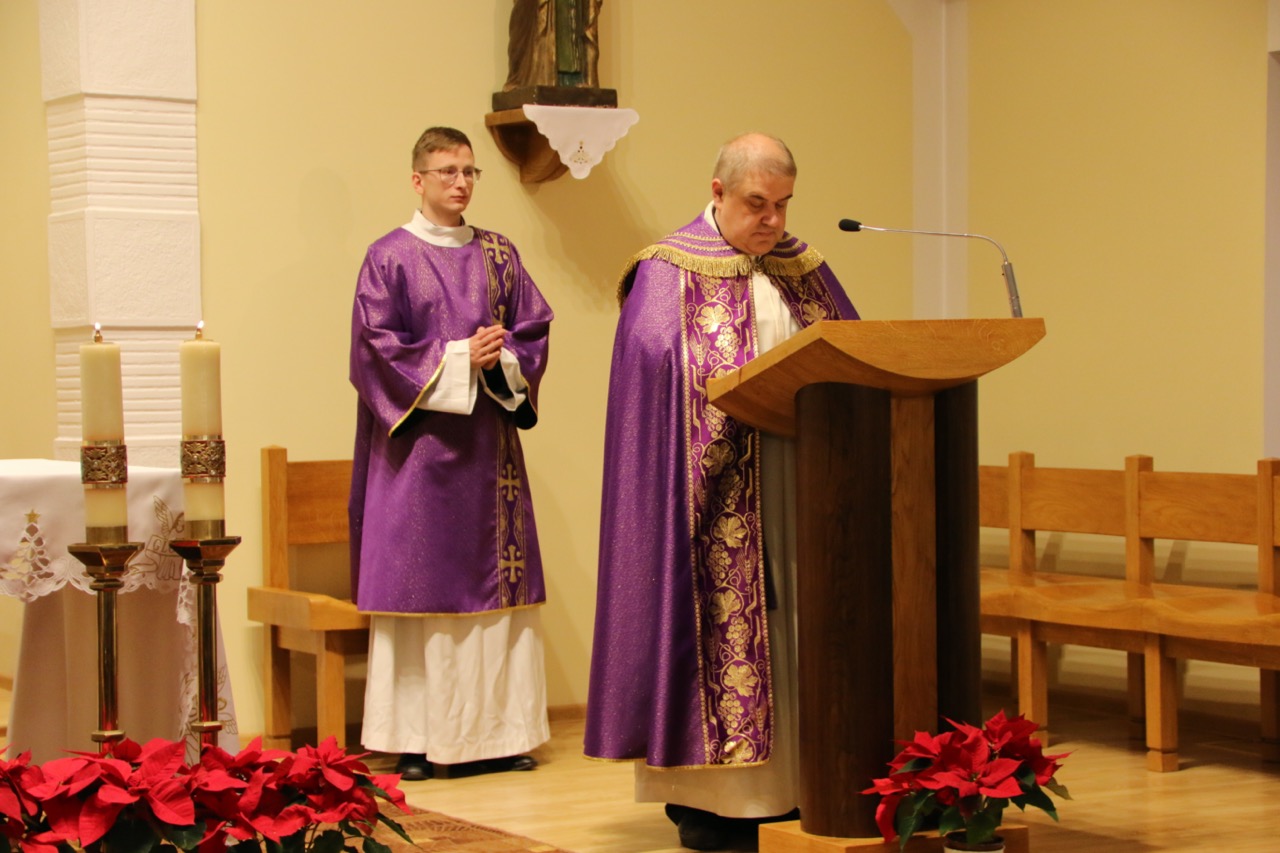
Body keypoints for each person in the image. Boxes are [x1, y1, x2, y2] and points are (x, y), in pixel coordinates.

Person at [584, 133, 858, 850]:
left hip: (798, 486)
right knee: (718, 632)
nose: (773, 220)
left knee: (794, 632)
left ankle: (796, 789)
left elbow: (855, 355)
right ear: (717, 192)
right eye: (757, 204)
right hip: (707, 496)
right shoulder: (665, 271)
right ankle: (712, 802)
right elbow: (654, 387)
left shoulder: (804, 269)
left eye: (783, 204)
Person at [348, 126, 554, 782]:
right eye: (447, 171)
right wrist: (462, 355)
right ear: (418, 180)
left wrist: (503, 360)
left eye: (469, 171)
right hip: (418, 463)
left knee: (495, 597)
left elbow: (532, 333)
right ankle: (416, 737)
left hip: (488, 456)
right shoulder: (389, 257)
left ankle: (502, 734)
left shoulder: (499, 254)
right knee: (424, 594)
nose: (461, 182)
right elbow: (375, 351)